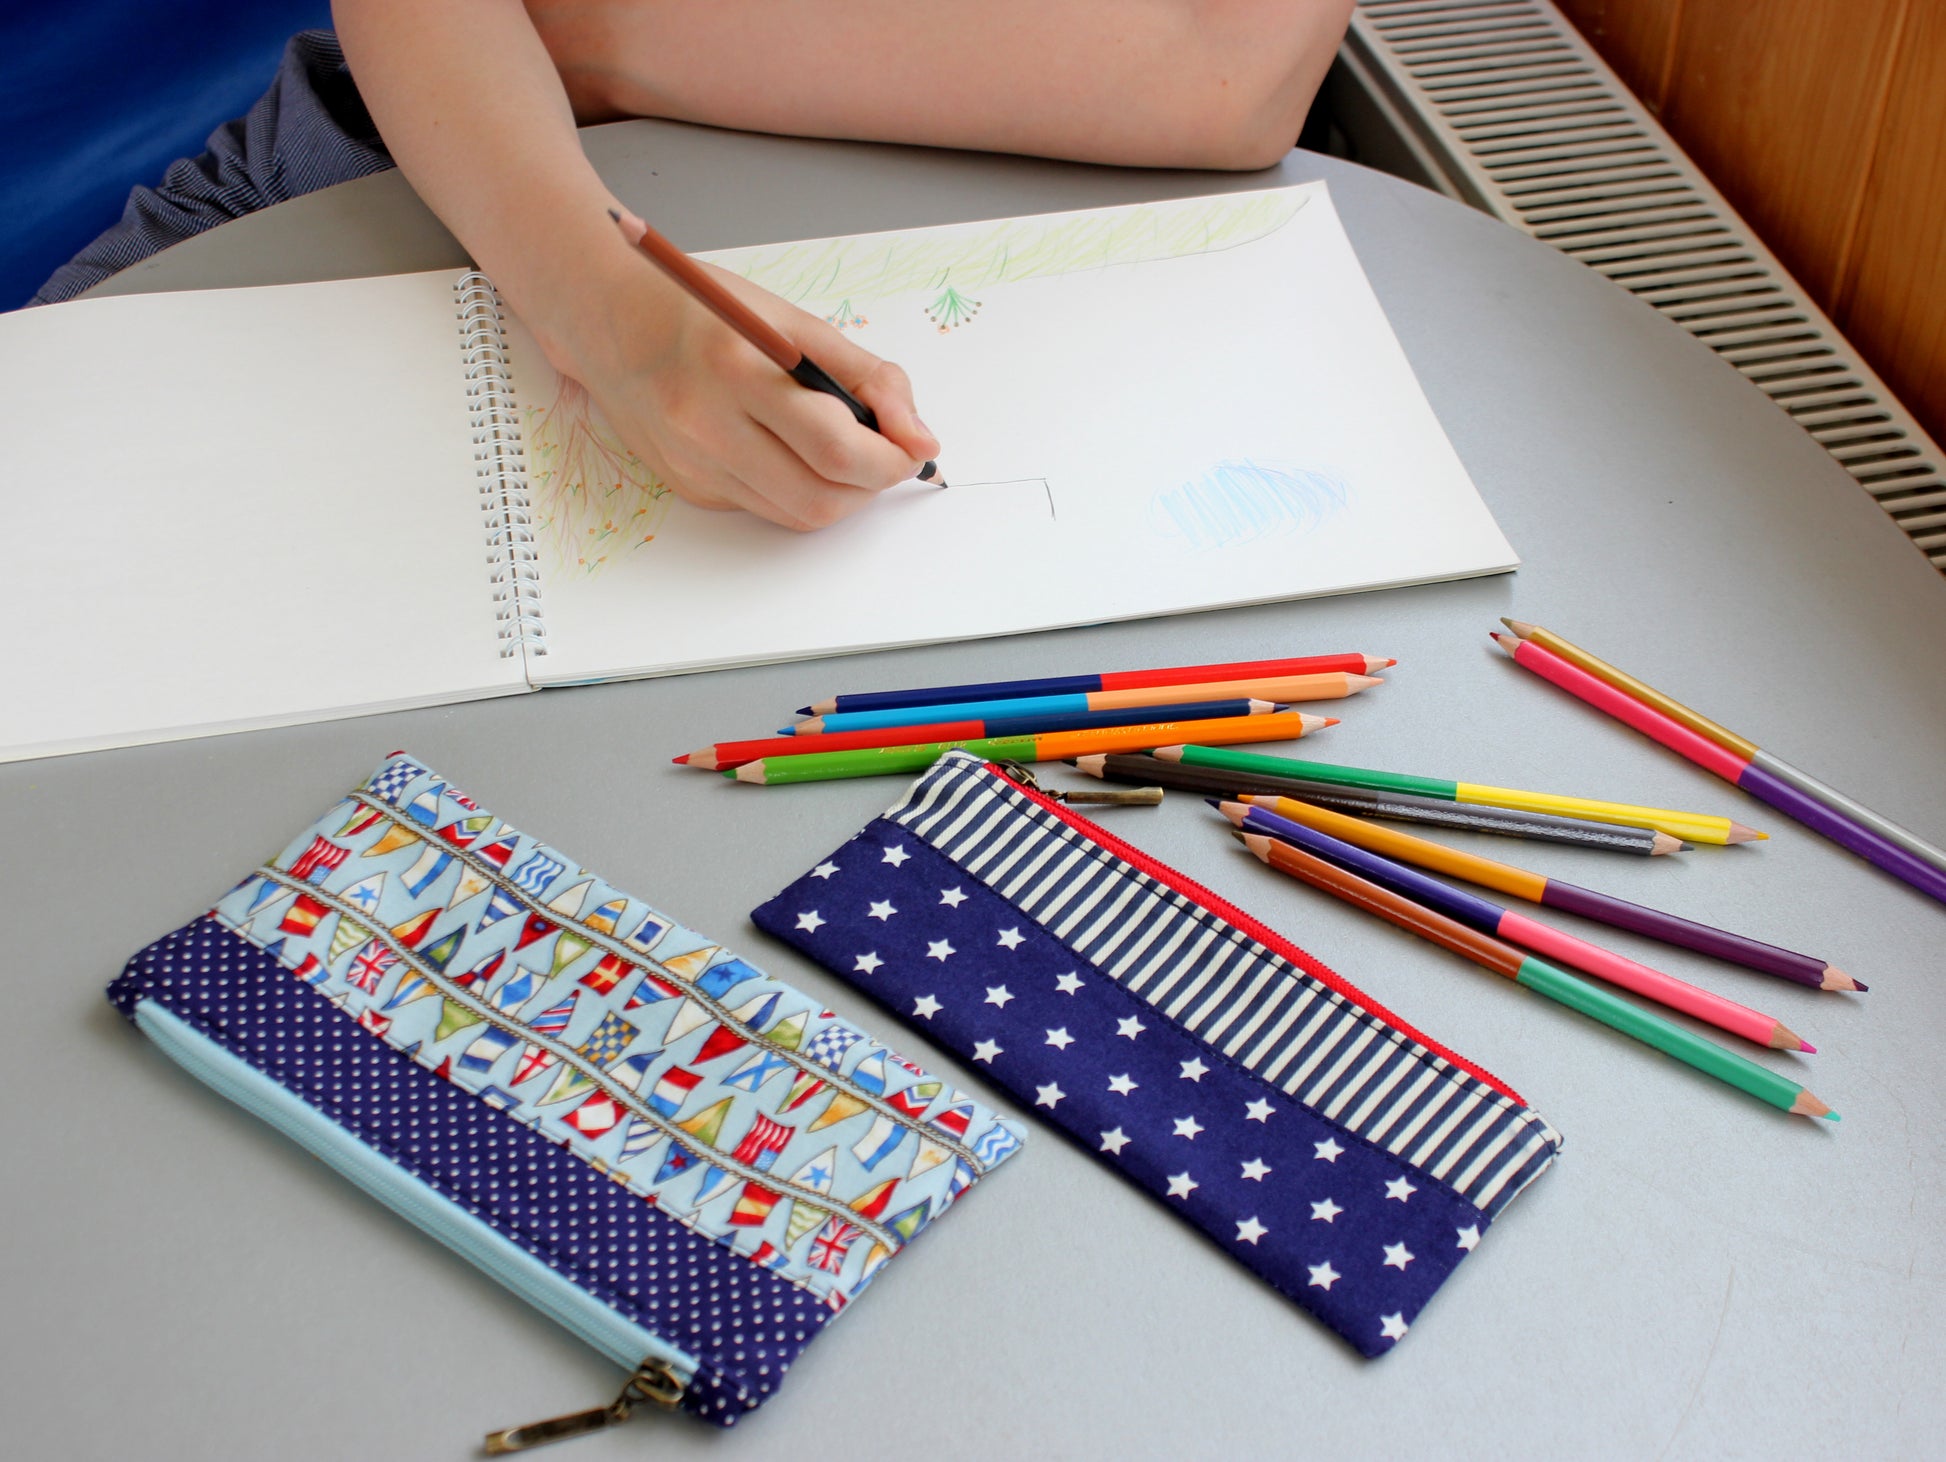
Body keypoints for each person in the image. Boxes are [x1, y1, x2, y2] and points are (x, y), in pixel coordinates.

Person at [56, 2, 1354, 528]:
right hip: (397, 182)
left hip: (1034, 263)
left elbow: (1224, 76)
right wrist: (598, 300)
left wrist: (598, 32)